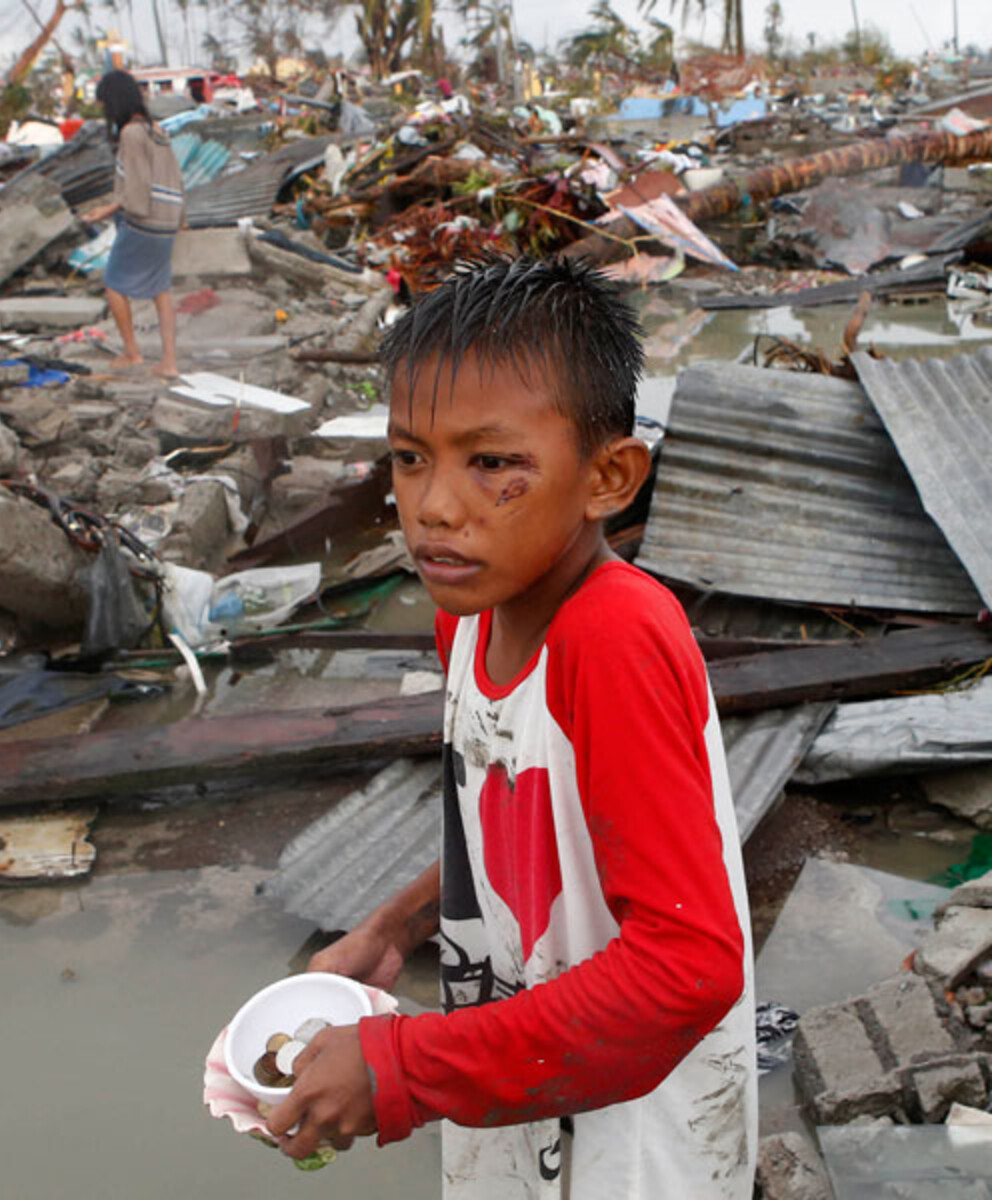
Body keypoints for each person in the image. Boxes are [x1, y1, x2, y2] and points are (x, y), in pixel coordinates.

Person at [264, 256, 756, 1199]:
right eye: (411, 457)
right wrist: (395, 926)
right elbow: (514, 827)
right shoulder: (472, 612)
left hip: (632, 1143)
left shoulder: (610, 637)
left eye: (493, 463)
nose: (434, 506)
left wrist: (403, 1067)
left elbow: (689, 967)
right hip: (524, 1076)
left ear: (608, 476)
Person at [80, 70, 185, 377]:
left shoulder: (131, 133)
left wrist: (106, 209)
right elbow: (177, 177)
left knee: (114, 283)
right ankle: (169, 362)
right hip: (167, 220)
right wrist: (182, 219)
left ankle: (132, 352)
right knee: (160, 289)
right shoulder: (158, 130)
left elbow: (136, 186)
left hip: (144, 220)